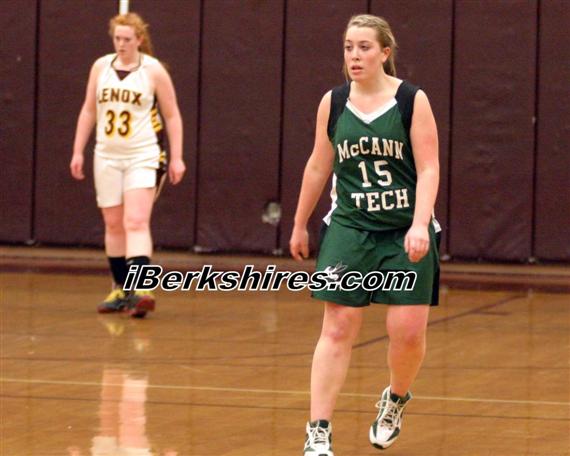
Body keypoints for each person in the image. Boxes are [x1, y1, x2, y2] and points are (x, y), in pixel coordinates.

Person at [289, 14, 440, 455]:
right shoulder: (334, 102)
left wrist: (420, 223)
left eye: (364, 47)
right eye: (348, 47)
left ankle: (395, 399)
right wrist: (298, 222)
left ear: (384, 53)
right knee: (337, 327)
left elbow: (429, 168)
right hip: (350, 227)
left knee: (407, 332)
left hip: (403, 230)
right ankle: (318, 430)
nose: (354, 56)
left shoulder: (411, 100)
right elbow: (318, 164)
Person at [70, 12, 185, 318]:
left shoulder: (153, 70)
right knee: (113, 223)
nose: (121, 44)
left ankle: (142, 289)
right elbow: (88, 110)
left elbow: (172, 114)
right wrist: (78, 150)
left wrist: (177, 156)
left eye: (126, 39)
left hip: (142, 154)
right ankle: (121, 289)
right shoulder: (100, 67)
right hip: (107, 154)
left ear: (139, 40)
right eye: (117, 38)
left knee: (135, 220)